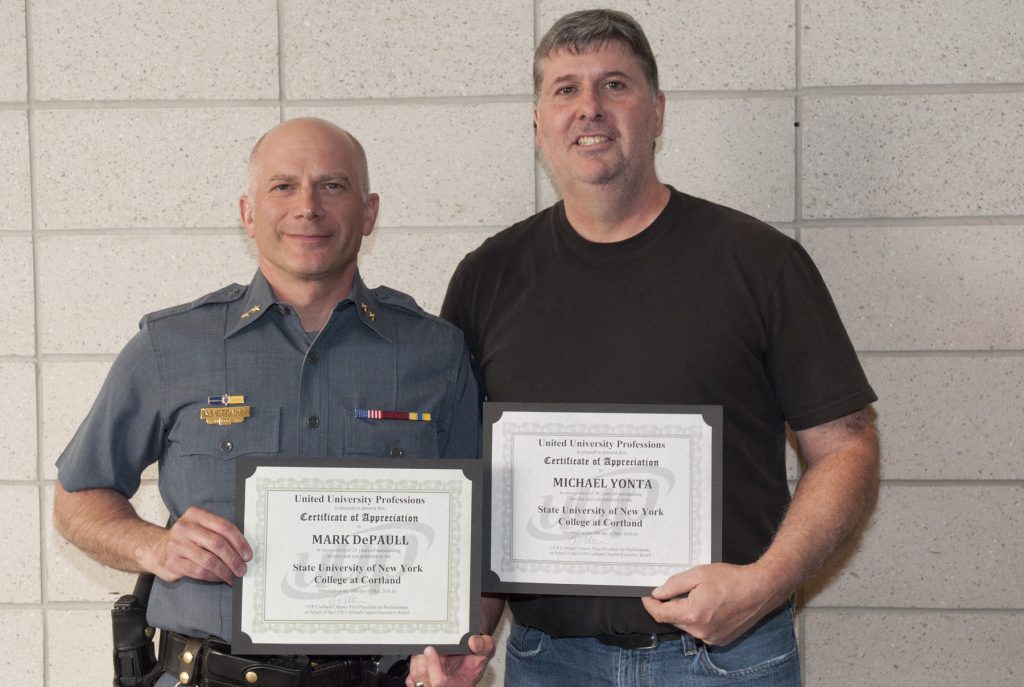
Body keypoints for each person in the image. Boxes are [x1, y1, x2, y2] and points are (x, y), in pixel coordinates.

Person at [441, 9, 880, 686]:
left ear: (657, 112)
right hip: (547, 661)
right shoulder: (486, 277)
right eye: (565, 89)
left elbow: (847, 447)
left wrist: (763, 584)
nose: (589, 108)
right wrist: (466, 627)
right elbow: (481, 479)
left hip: (727, 661)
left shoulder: (759, 263)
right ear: (537, 123)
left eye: (615, 85)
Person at [54, 117, 494, 687]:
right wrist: (153, 546)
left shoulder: (436, 352)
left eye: (332, 186)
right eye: (283, 186)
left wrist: (462, 641)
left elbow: (480, 531)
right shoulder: (169, 348)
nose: (307, 207)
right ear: (248, 212)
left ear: (369, 212)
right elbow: (76, 499)